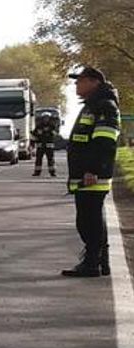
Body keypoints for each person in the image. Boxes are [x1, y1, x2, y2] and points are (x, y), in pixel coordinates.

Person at [62, 66, 120, 278]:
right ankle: (100, 262)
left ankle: (92, 264)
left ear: (94, 81)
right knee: (89, 219)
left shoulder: (104, 106)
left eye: (80, 81)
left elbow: (104, 140)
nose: (76, 85)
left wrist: (93, 170)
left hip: (92, 175)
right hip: (86, 174)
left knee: (88, 221)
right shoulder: (94, 105)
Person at [33, 112, 59, 177]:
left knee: (51, 160)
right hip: (40, 145)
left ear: (49, 119)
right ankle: (37, 172)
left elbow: (56, 134)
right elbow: (34, 134)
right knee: (38, 159)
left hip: (49, 146)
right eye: (44, 118)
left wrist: (50, 132)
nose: (46, 119)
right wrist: (37, 136)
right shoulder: (39, 126)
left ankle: (52, 172)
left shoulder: (52, 126)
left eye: (47, 118)